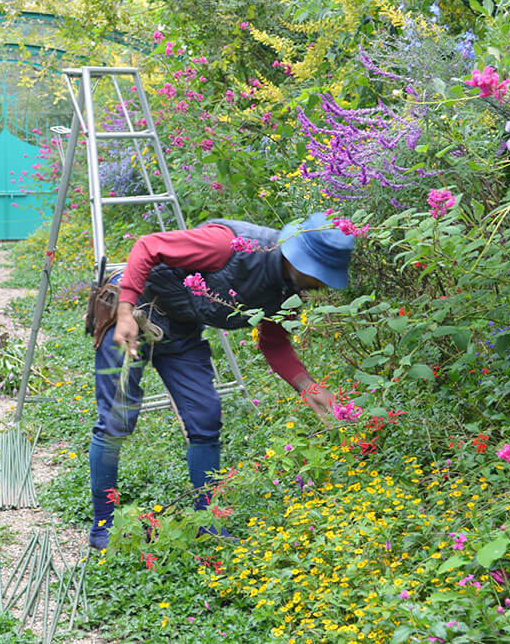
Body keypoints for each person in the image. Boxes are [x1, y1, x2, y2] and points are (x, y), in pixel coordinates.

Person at [88, 211, 355, 550]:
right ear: (299, 257)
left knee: (205, 417)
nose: (321, 285)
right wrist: (125, 312)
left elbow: (273, 342)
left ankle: (208, 522)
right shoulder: (225, 245)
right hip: (131, 312)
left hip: (181, 330)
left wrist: (309, 387)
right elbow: (147, 246)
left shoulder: (290, 289)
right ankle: (103, 527)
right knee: (117, 418)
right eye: (319, 275)